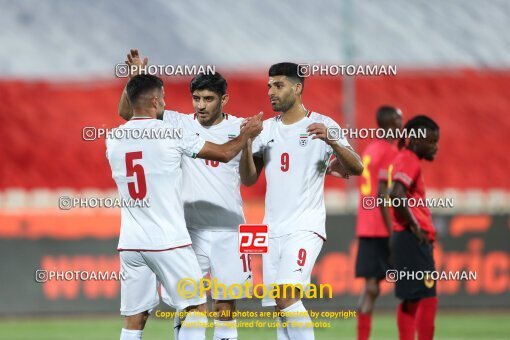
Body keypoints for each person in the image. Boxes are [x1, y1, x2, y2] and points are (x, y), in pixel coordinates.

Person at [108, 74, 262, 340]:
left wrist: (247, 141)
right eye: (196, 98)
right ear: (157, 102)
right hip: (185, 234)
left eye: (208, 99)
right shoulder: (176, 125)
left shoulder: (238, 125)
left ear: (223, 99)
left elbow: (249, 179)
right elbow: (130, 110)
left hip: (230, 228)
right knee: (191, 307)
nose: (201, 105)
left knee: (224, 306)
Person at [240, 62, 364, 340]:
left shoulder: (321, 124)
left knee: (286, 298)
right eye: (269, 85)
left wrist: (333, 142)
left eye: (278, 85)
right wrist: (247, 143)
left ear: (297, 88)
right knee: (279, 307)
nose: (271, 91)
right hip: (269, 230)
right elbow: (248, 179)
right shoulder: (266, 130)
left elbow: (357, 168)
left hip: (304, 227)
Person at [389, 115, 440, 340]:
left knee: (412, 300)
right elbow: (396, 193)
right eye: (432, 141)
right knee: (427, 298)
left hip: (407, 238)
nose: (435, 147)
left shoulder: (405, 158)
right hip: (411, 238)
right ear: (417, 141)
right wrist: (416, 227)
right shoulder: (409, 159)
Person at [354, 106, 402, 340]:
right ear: (391, 124)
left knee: (371, 287)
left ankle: (362, 335)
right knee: (410, 285)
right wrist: (394, 230)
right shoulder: (390, 151)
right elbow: (383, 194)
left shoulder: (371, 147)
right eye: (399, 120)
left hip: (366, 223)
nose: (403, 124)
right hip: (382, 226)